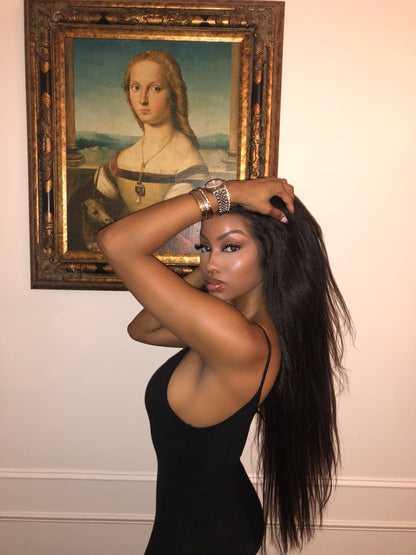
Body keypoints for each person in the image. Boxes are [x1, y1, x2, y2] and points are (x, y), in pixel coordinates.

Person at [97, 176, 352, 554]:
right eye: (204, 247)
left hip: (205, 534)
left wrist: (227, 194)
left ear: (273, 253)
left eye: (231, 247)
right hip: (208, 515)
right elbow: (143, 329)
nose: (211, 261)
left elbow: (116, 242)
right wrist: (208, 271)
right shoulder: (241, 327)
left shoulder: (234, 337)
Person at [94, 50, 210, 252]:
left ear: (173, 93)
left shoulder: (188, 162)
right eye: (136, 88)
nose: (143, 99)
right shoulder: (121, 159)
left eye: (155, 88)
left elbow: (180, 238)